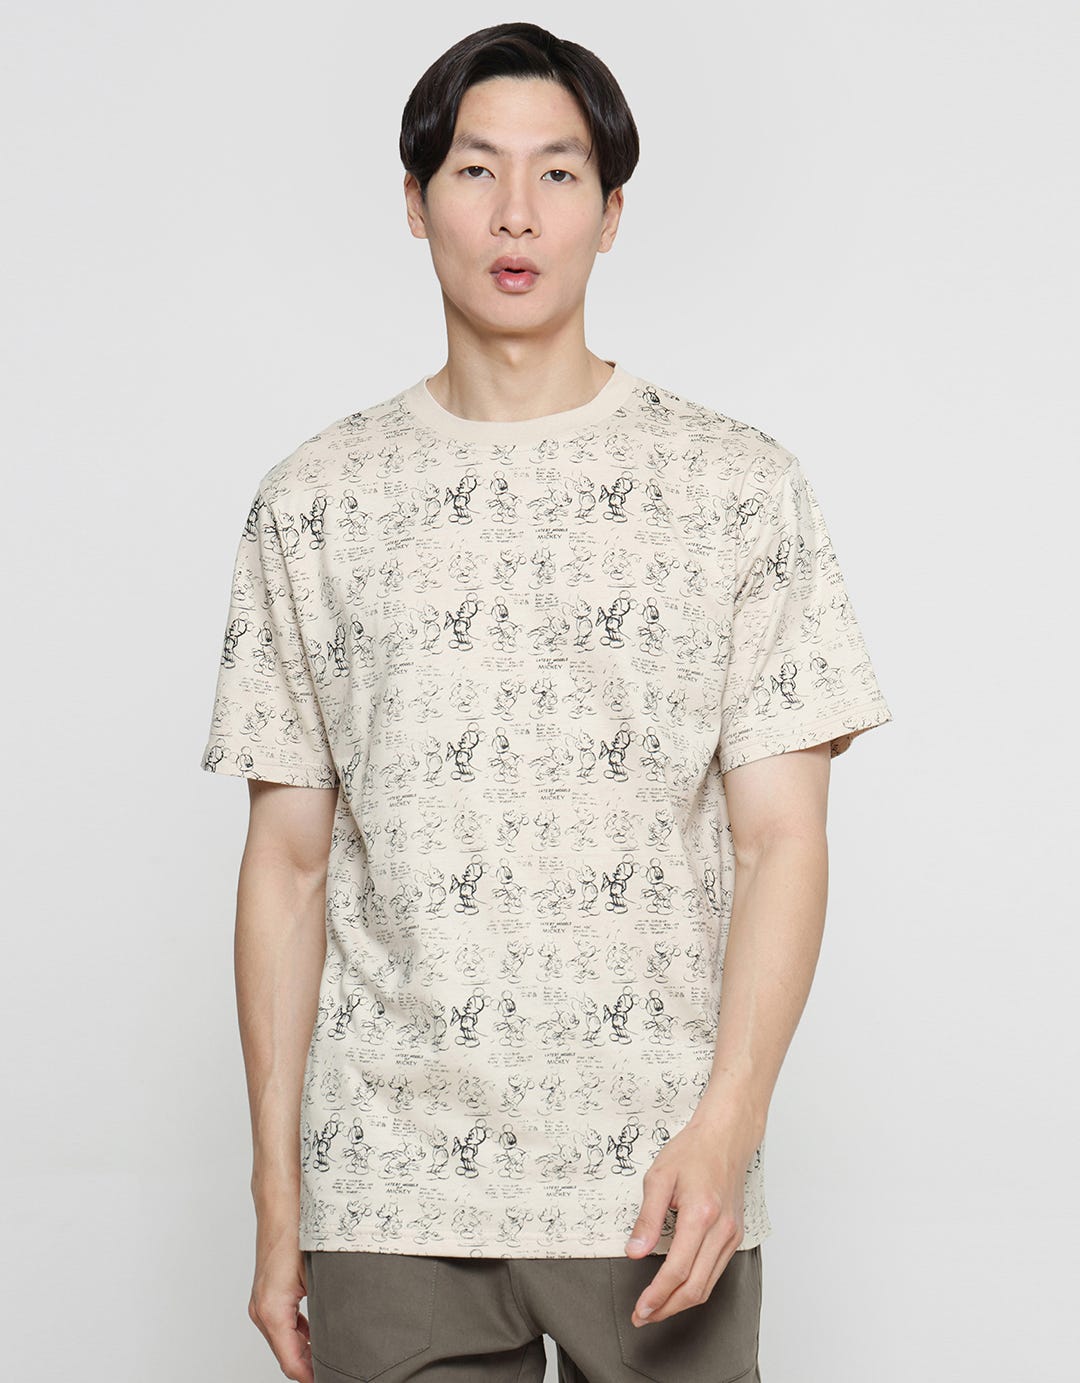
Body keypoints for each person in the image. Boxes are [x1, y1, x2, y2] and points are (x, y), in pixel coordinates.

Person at [199, 21, 892, 1383]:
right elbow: (285, 867)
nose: (516, 213)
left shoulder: (736, 488)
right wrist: (280, 1202)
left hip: (658, 1178)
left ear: (611, 212)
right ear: (416, 202)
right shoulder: (315, 503)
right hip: (391, 1186)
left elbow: (783, 842)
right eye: (475, 170)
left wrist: (729, 1128)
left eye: (559, 174)